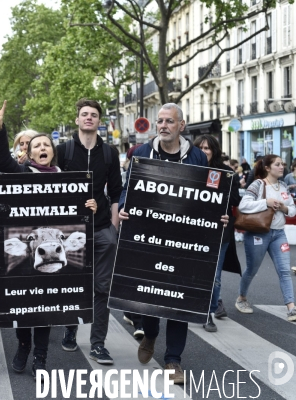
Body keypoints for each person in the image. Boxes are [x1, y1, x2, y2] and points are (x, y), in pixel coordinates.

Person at [119, 103, 229, 384]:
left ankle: (173, 360)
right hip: (150, 237)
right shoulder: (142, 153)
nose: (163, 125)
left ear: (182, 125)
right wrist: (123, 206)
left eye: (169, 121)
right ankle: (151, 333)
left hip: (184, 240)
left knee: (178, 301)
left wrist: (219, 216)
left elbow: (207, 194)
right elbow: (128, 187)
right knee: (153, 298)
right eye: (160, 121)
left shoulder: (196, 157)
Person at [0, 99, 97, 378]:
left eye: (46, 145)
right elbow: (2, 160)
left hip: (57, 261)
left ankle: (40, 356)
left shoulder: (69, 178)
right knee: (26, 306)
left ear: (53, 152)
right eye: (36, 145)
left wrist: (91, 207)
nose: (42, 149)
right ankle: (23, 346)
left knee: (48, 308)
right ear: (29, 152)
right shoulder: (22, 173)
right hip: (29, 259)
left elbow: (79, 215)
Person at [55, 98, 122, 366]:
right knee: (73, 284)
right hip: (70, 232)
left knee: (102, 289)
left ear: (99, 121)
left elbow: (116, 193)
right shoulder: (64, 150)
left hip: (102, 229)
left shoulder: (109, 153)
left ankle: (98, 344)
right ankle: (71, 328)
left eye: (94, 115)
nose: (89, 118)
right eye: (84, 114)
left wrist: (113, 228)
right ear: (77, 119)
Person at [235, 154, 296, 322]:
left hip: (279, 234)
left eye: (282, 164)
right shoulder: (257, 184)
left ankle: (291, 307)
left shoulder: (283, 186)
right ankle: (242, 298)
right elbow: (244, 205)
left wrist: (284, 207)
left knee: (284, 270)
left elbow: (292, 210)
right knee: (252, 269)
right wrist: (266, 203)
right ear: (267, 168)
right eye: (278, 164)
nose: (282, 167)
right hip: (257, 233)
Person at [193, 135, 242, 331]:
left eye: (208, 148)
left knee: (214, 274)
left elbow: (235, 200)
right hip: (192, 228)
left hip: (219, 229)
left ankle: (209, 312)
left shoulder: (227, 173)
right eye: (201, 147)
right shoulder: (188, 169)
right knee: (194, 271)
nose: (204, 151)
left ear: (214, 150)